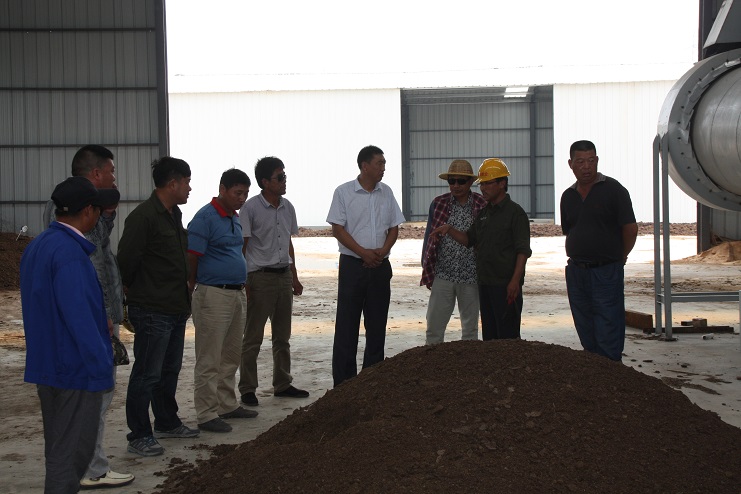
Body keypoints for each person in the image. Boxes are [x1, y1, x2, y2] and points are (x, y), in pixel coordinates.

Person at [42, 145, 135, 489]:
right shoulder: (67, 221)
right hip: (92, 319)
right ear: (96, 173)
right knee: (91, 397)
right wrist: (103, 320)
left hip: (99, 314)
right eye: (110, 170)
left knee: (91, 402)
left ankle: (88, 464)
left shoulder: (73, 213)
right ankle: (91, 467)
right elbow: (88, 263)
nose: (114, 177)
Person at [21, 177, 120, 493]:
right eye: (98, 210)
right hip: (74, 370)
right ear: (88, 211)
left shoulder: (39, 245)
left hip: (49, 364)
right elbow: (79, 317)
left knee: (59, 449)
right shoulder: (70, 254)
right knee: (72, 457)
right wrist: (101, 365)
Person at [118, 157, 199, 457]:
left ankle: (166, 421)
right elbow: (126, 262)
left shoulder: (172, 215)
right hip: (152, 308)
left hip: (175, 306)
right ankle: (139, 434)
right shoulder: (144, 217)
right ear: (172, 183)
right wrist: (136, 294)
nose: (189, 188)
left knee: (169, 370)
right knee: (147, 373)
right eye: (187, 182)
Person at [326, 145, 406, 387]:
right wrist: (363, 253)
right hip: (353, 266)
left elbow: (394, 228)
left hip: (380, 265)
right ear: (364, 166)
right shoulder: (343, 192)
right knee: (347, 325)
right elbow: (338, 229)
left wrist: (382, 251)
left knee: (377, 325)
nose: (383, 168)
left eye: (384, 163)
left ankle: (372, 382)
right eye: (379, 163)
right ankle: (344, 384)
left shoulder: (386, 192)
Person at [187, 169, 258, 432]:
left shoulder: (234, 218)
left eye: (246, 193)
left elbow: (237, 252)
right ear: (222, 189)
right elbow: (192, 256)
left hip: (236, 293)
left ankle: (226, 404)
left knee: (230, 354)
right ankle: (206, 413)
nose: (242, 198)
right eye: (238, 193)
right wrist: (191, 285)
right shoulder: (205, 218)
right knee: (209, 357)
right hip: (213, 294)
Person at [431, 158, 531, 340]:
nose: (483, 188)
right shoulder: (485, 213)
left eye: (488, 183)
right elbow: (469, 239)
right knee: (490, 338)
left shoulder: (515, 213)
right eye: (482, 184)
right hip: (485, 283)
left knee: (507, 338)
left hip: (505, 285)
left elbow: (522, 251)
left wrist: (515, 281)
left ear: (502, 183)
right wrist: (449, 229)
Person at [238, 157, 308, 407]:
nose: (284, 181)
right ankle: (248, 388)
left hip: (283, 276)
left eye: (284, 176)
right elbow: (243, 246)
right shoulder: (250, 209)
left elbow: (288, 242)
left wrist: (294, 276)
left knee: (282, 336)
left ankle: (283, 383)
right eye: (280, 177)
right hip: (260, 278)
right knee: (253, 337)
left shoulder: (288, 207)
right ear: (265, 182)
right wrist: (245, 282)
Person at [560, 140, 638, 361]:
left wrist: (620, 256)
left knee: (608, 323)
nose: (586, 167)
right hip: (577, 271)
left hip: (606, 271)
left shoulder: (614, 190)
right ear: (571, 164)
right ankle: (593, 370)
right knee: (584, 322)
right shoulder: (568, 196)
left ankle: (611, 371)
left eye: (591, 161)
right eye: (580, 162)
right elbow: (570, 230)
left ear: (597, 161)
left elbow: (630, 229)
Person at [421, 159, 487, 344]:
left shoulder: (482, 204)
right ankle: (432, 359)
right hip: (443, 274)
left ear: (470, 182)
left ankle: (468, 360)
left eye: (461, 181)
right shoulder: (438, 203)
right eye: (452, 181)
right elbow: (429, 238)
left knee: (470, 330)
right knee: (434, 327)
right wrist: (427, 269)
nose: (456, 185)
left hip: (471, 276)